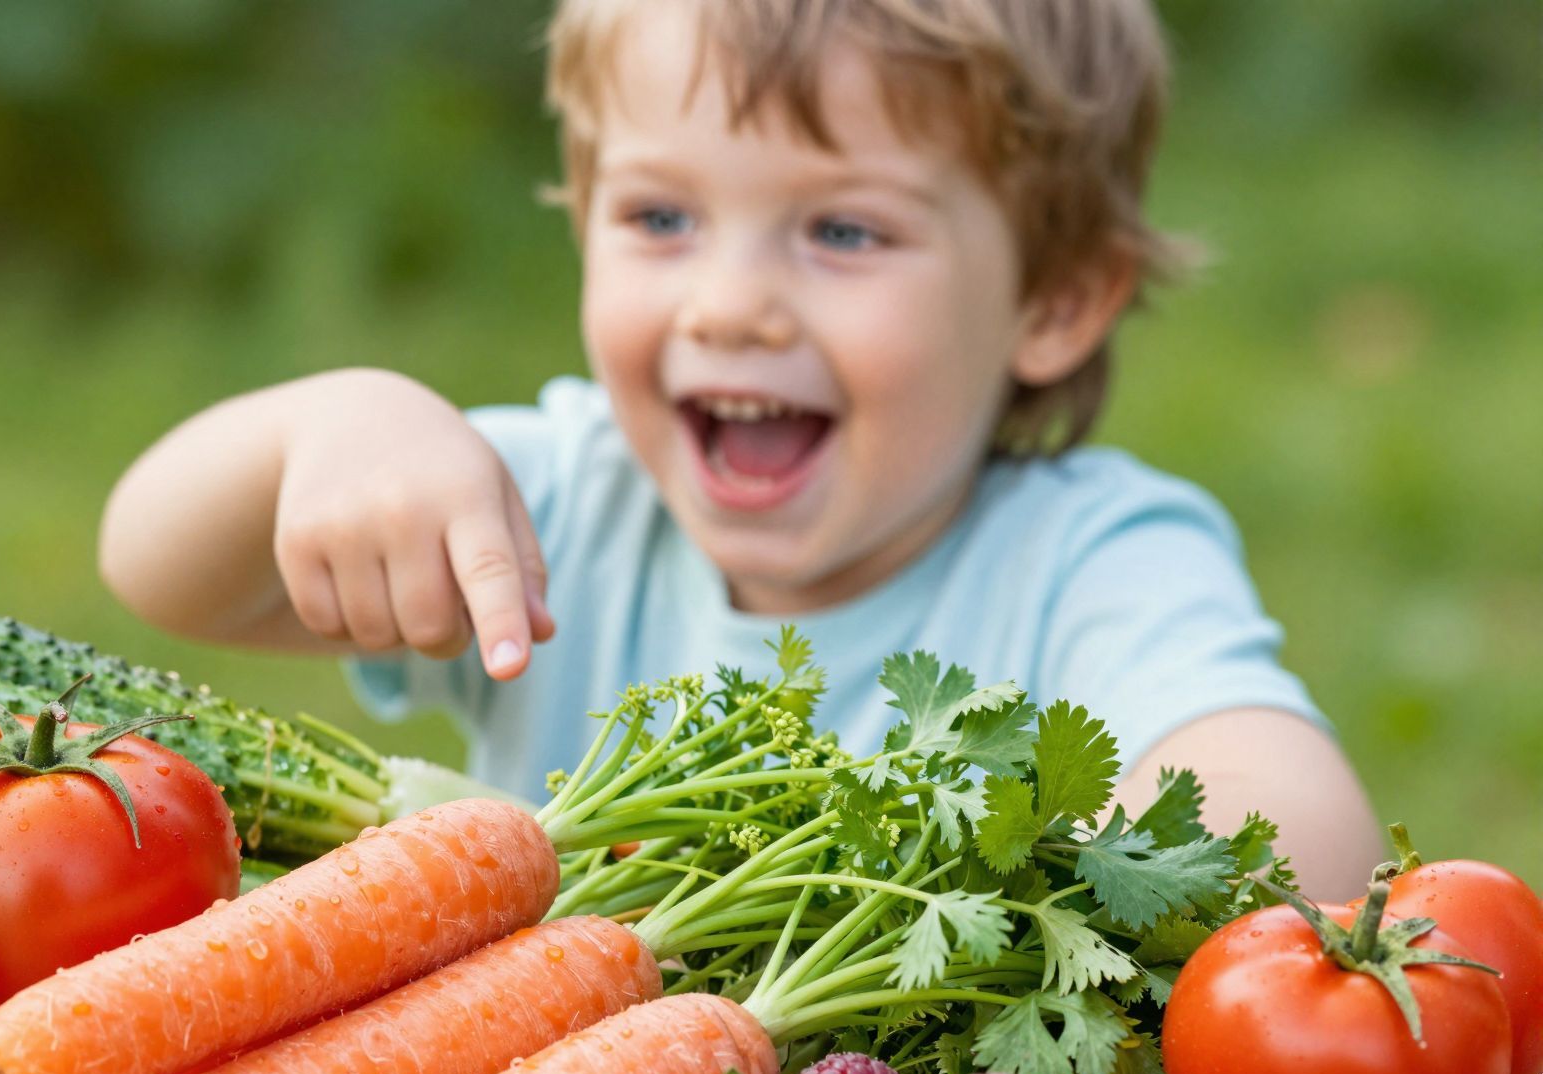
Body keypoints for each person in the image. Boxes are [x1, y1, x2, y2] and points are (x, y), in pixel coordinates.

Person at [99, 0, 1383, 905]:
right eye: (661, 216)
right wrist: (330, 424)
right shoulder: (556, 506)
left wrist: (1032, 883)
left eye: (841, 233)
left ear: (1051, 298)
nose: (726, 304)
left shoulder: (1089, 561)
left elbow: (1302, 834)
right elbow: (156, 568)